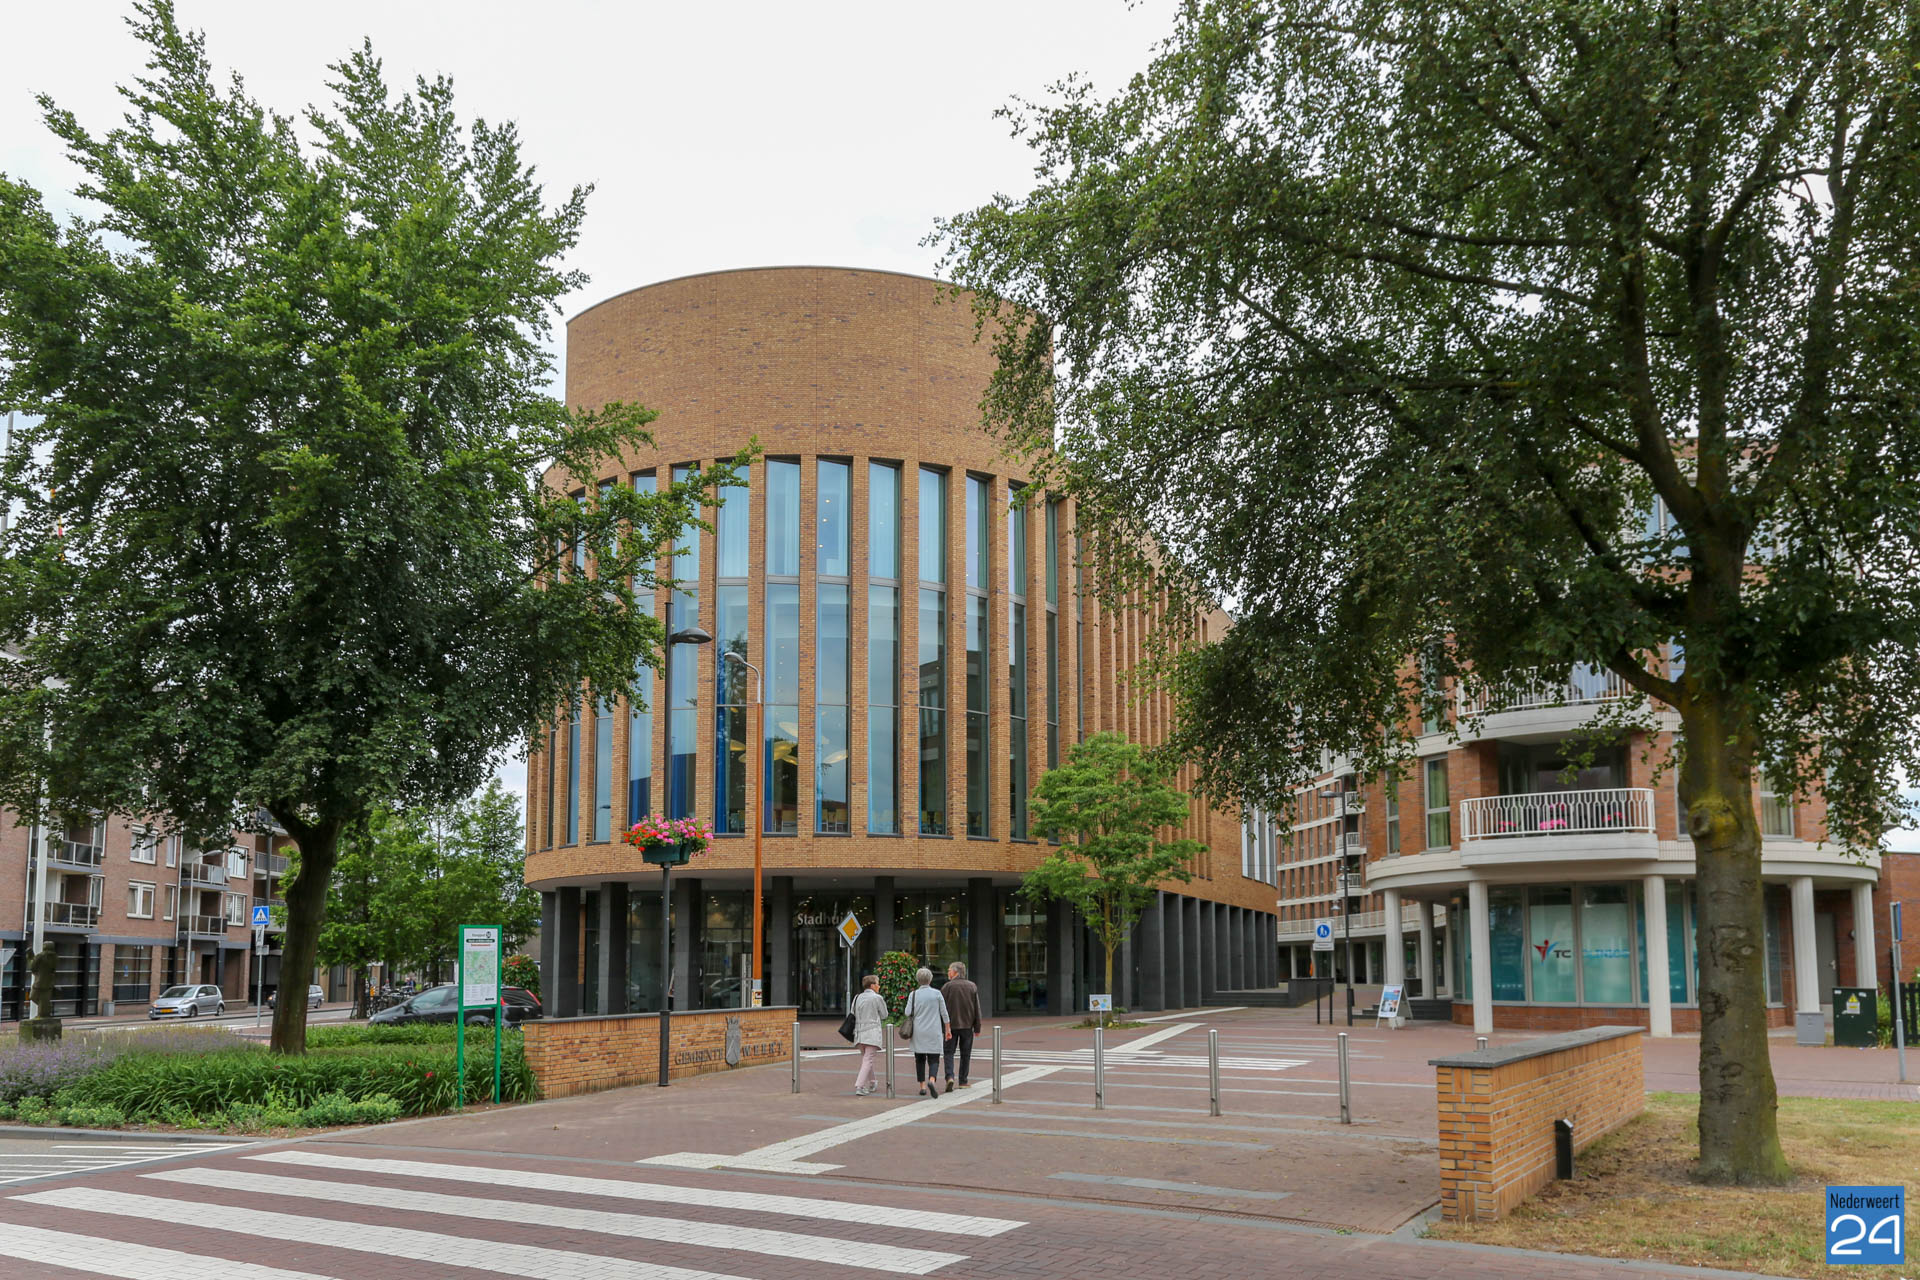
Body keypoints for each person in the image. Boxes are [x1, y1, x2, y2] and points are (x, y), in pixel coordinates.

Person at [902, 966, 950, 1099]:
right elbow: (944, 1013)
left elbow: (907, 1012)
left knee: (920, 1059)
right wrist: (948, 1029)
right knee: (934, 1058)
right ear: (930, 979)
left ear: (918, 980)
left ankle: (922, 1086)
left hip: (918, 1031)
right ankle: (932, 1080)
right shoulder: (937, 993)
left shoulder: (914, 994)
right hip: (934, 1031)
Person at [940, 960, 981, 1091]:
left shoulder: (947, 987)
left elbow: (941, 1008)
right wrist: (977, 1026)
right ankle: (963, 1081)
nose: (947, 972)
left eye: (949, 970)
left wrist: (942, 1026)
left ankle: (949, 1077)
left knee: (948, 1052)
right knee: (965, 1053)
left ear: (955, 972)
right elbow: (977, 1008)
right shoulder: (972, 986)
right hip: (967, 1026)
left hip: (950, 1027)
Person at [850, 974, 887, 1096]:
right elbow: (884, 1015)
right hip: (871, 1033)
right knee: (868, 1059)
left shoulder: (857, 997)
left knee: (867, 1059)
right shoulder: (877, 998)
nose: (879, 986)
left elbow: (852, 1013)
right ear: (872, 986)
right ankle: (859, 1086)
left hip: (859, 1033)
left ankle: (872, 1082)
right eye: (877, 983)